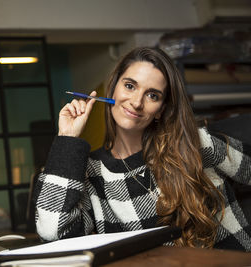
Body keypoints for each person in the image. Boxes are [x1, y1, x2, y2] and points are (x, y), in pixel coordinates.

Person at [34, 47, 251, 251]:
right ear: (113, 89)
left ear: (160, 110)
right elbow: (52, 232)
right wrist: (68, 139)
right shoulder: (92, 172)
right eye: (130, 86)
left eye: (152, 95)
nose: (137, 102)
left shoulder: (195, 143)